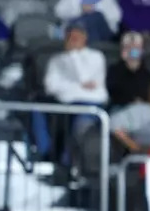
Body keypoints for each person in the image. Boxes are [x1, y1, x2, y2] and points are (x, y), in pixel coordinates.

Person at [35, 22, 107, 170]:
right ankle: (46, 154)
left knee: (80, 125)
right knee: (37, 109)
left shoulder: (96, 57)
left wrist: (73, 56)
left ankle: (70, 164)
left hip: (90, 104)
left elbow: (84, 77)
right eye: (70, 37)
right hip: (64, 104)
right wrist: (77, 87)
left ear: (85, 38)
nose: (73, 40)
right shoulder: (56, 60)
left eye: (77, 37)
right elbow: (50, 86)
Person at [106, 32, 150, 107]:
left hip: (143, 109)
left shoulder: (148, 73)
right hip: (120, 108)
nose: (132, 50)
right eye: (128, 47)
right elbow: (113, 91)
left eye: (136, 47)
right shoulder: (114, 70)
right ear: (122, 49)